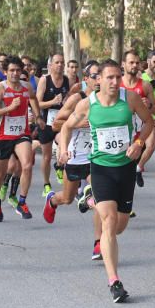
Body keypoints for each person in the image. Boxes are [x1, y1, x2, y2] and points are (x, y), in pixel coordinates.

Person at [59, 59, 155, 303]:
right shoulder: (87, 104)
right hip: (101, 168)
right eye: (109, 77)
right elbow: (66, 126)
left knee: (119, 225)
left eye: (117, 77)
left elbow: (149, 123)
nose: (114, 82)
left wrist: (138, 143)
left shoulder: (130, 99)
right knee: (109, 222)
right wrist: (63, 149)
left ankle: (91, 200)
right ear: (98, 79)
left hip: (125, 168)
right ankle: (114, 281)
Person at [0, 56, 42, 221]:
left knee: (27, 165)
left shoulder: (26, 87)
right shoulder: (1, 88)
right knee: (0, 173)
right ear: (5, 72)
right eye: (11, 70)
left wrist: (38, 116)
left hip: (21, 134)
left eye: (18, 70)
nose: (15, 73)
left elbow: (33, 98)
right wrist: (10, 108)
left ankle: (22, 202)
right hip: (3, 135)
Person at [46, 61, 99, 225]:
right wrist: (76, 123)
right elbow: (55, 124)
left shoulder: (108, 101)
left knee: (100, 192)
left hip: (96, 156)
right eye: (94, 76)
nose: (98, 80)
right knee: (67, 198)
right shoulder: (77, 99)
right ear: (86, 79)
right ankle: (52, 201)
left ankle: (100, 241)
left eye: (101, 76)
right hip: (75, 155)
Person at [36, 53, 71, 194]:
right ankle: (46, 184)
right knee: (46, 155)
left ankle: (59, 165)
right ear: (50, 65)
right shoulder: (45, 80)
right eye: (57, 62)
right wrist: (52, 102)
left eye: (62, 62)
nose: (60, 65)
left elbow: (68, 100)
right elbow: (37, 104)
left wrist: (66, 103)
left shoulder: (66, 80)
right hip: (46, 123)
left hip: (60, 123)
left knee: (65, 147)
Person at [121, 50, 155, 187]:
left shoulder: (145, 85)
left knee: (151, 145)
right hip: (121, 130)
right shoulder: (117, 84)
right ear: (123, 64)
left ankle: (138, 168)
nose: (134, 65)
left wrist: (149, 105)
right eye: (131, 62)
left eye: (137, 62)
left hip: (141, 128)